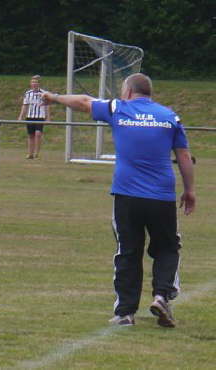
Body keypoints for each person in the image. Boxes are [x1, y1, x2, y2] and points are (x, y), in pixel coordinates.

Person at [42, 73, 195, 328]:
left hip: (126, 195)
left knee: (128, 251)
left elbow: (83, 101)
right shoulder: (169, 116)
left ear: (127, 92)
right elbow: (184, 156)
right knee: (167, 248)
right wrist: (190, 190)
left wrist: (54, 98)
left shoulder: (118, 108)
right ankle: (162, 296)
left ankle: (125, 313)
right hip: (161, 196)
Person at [18, 75, 50, 159]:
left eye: (36, 82)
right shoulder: (28, 93)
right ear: (30, 83)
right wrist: (21, 116)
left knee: (38, 134)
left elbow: (47, 106)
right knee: (30, 135)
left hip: (40, 116)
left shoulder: (44, 93)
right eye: (33, 82)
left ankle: (36, 153)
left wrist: (48, 117)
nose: (34, 84)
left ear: (39, 83)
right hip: (30, 116)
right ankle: (30, 153)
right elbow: (25, 105)